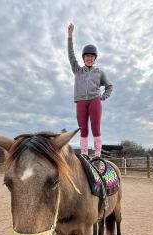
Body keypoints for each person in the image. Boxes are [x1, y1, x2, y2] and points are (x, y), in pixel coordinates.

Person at [67, 23, 113, 157]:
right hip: (81, 101)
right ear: (83, 58)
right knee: (83, 129)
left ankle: (98, 154)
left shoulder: (99, 73)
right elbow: (71, 55)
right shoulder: (78, 70)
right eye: (87, 56)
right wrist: (70, 36)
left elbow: (109, 86)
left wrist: (102, 97)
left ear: (94, 58)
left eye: (91, 56)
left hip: (95, 101)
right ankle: (84, 153)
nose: (89, 58)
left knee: (95, 128)